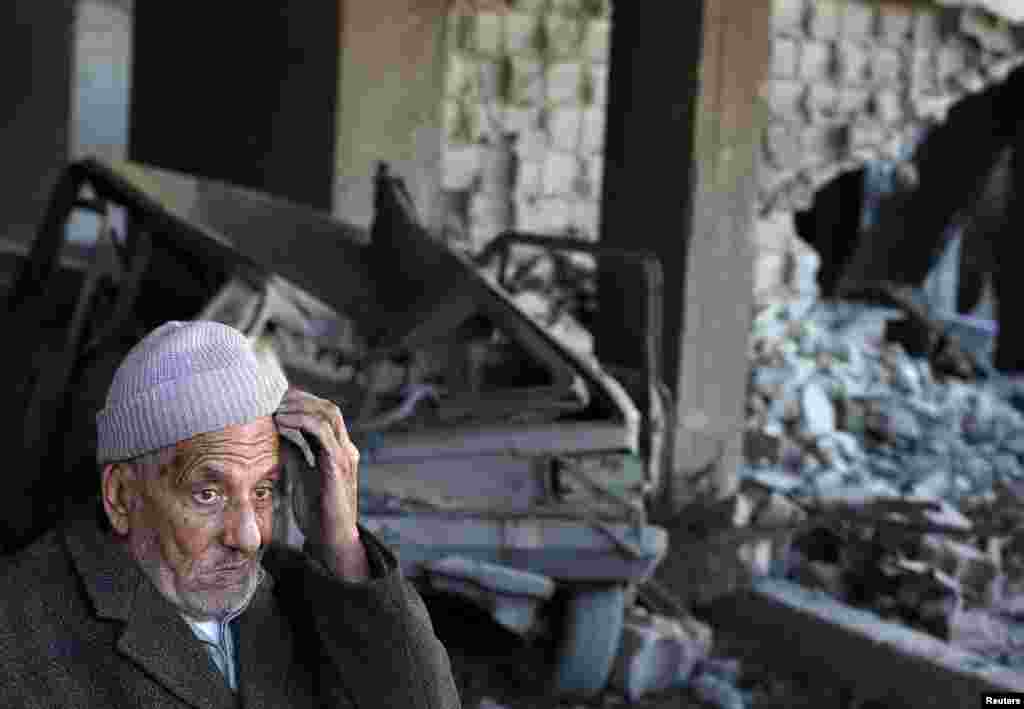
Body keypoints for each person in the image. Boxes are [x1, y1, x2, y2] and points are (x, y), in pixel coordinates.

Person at [0, 320, 461, 708]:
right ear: (122, 496)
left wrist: (341, 544)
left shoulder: (300, 592)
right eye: (208, 494)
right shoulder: (20, 626)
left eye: (262, 490)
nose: (249, 537)